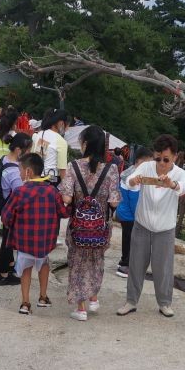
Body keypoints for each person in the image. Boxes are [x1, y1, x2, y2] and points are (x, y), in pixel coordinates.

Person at [117, 134, 185, 318]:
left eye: (166, 159)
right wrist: (133, 181)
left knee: (163, 268)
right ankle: (131, 301)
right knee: (136, 264)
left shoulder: (180, 173)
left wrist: (171, 184)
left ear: (175, 157)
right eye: (158, 158)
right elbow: (128, 180)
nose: (161, 163)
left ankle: (164, 303)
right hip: (142, 224)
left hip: (165, 229)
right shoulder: (146, 166)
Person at [60, 126, 120, 321]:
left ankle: (81, 309)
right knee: (96, 260)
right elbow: (114, 202)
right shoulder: (111, 169)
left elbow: (67, 198)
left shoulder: (73, 167)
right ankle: (93, 298)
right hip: (101, 227)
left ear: (85, 144)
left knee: (77, 263)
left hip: (78, 227)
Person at [0, 153, 70, 315]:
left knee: (26, 269)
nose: (19, 173)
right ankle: (43, 298)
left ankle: (25, 304)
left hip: (24, 242)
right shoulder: (52, 191)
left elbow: (6, 217)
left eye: (20, 169)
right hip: (45, 242)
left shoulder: (19, 192)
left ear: (28, 172)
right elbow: (63, 212)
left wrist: (11, 224)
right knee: (44, 264)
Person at [0, 132, 32, 286]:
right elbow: (20, 195)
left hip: (4, 205)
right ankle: (3, 275)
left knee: (8, 238)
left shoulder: (6, 159)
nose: (29, 152)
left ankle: (9, 268)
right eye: (27, 150)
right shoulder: (14, 171)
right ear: (18, 150)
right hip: (11, 208)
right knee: (7, 241)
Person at [114, 147, 153, 278]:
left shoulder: (127, 171)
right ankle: (125, 266)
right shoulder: (135, 178)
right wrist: (140, 216)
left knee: (127, 239)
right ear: (140, 161)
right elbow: (134, 201)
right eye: (148, 163)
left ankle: (122, 262)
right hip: (130, 214)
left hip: (123, 211)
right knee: (132, 241)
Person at [31, 108, 69, 184]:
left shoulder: (38, 135)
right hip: (52, 180)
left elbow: (33, 156)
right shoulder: (60, 141)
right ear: (61, 123)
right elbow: (62, 169)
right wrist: (67, 187)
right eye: (67, 125)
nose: (67, 129)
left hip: (36, 179)